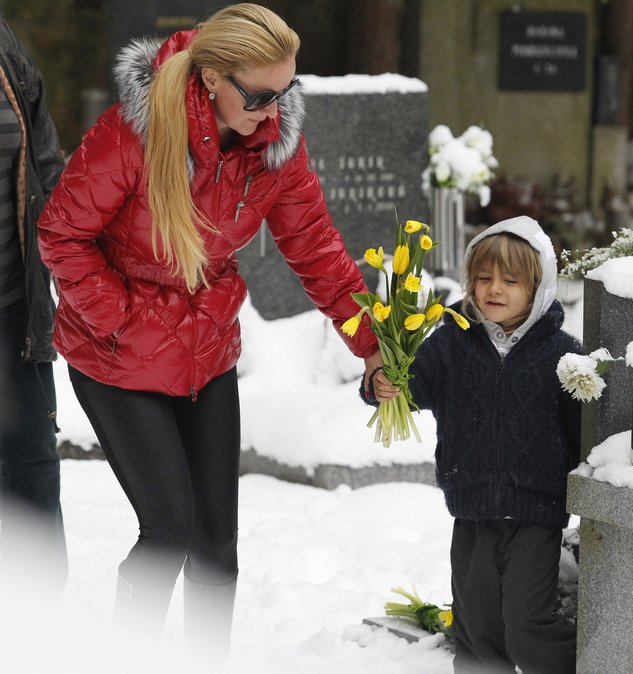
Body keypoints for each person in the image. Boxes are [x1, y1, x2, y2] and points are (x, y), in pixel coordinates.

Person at [36, 3, 381, 653]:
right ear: (213, 79)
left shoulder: (273, 148)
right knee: (168, 530)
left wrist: (372, 346)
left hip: (206, 352)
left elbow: (317, 248)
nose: (274, 110)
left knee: (217, 546)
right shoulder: (131, 135)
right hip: (116, 360)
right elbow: (62, 234)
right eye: (259, 95)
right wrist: (124, 320)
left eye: (287, 91)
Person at [368, 215, 580, 674]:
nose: (494, 289)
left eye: (510, 280)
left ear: (539, 286)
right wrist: (382, 382)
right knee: (477, 627)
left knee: (527, 626)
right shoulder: (450, 343)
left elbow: (584, 429)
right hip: (472, 510)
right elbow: (411, 383)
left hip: (535, 515)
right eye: (483, 278)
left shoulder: (563, 354)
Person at [0, 16, 67, 590]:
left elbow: (43, 159)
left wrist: (80, 246)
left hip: (12, 307)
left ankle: (40, 627)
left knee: (31, 466)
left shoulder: (2, 41)